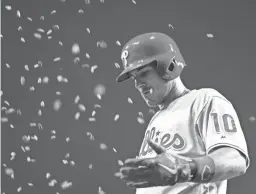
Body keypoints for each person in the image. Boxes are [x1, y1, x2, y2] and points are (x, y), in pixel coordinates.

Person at [114, 32, 250, 194]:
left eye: (144, 73)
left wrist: (186, 168)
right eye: (134, 78)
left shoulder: (204, 100)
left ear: (169, 66)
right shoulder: (157, 119)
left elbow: (235, 159)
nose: (137, 84)